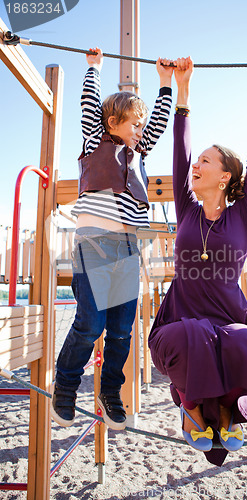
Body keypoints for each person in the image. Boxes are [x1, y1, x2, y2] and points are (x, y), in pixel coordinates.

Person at [148, 55, 247, 466]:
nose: (195, 166)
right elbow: (179, 154)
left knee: (245, 339)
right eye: (197, 161)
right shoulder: (187, 209)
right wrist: (182, 90)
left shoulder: (243, 213)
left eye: (206, 161)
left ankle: (226, 414)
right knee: (194, 334)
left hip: (227, 321)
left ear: (225, 177)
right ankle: (193, 408)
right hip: (178, 325)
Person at [51, 47, 174, 430]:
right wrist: (94, 68)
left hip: (126, 251)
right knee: (90, 324)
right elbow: (89, 103)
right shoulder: (93, 140)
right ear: (112, 122)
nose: (141, 130)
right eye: (134, 124)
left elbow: (159, 123)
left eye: (141, 126)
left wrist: (166, 83)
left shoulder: (141, 151)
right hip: (93, 245)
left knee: (122, 328)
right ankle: (66, 386)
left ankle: (110, 390)